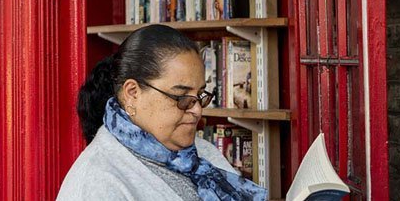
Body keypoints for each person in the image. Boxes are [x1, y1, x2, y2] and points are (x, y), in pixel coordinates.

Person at [57, 24, 266, 201]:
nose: (197, 110)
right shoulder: (96, 182)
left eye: (200, 95)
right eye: (181, 97)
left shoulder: (204, 153)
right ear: (132, 93)